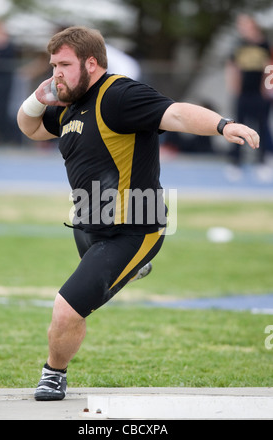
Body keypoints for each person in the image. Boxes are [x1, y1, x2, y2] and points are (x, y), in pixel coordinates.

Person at [17, 26, 259, 401]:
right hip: (87, 224)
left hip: (132, 229)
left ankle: (54, 373)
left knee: (67, 310)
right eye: (53, 65)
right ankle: (133, 268)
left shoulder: (119, 95)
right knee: (97, 277)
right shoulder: (72, 102)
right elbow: (30, 128)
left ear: (91, 62)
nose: (56, 73)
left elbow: (176, 113)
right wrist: (37, 97)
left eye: (64, 64)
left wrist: (223, 125)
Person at [225, 14, 272, 180]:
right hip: (243, 94)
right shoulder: (239, 45)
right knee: (237, 126)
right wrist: (234, 87)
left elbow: (270, 65)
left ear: (253, 25)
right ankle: (235, 163)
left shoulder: (265, 44)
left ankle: (263, 162)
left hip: (260, 94)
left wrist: (268, 89)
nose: (242, 28)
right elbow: (232, 67)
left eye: (245, 25)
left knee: (262, 127)